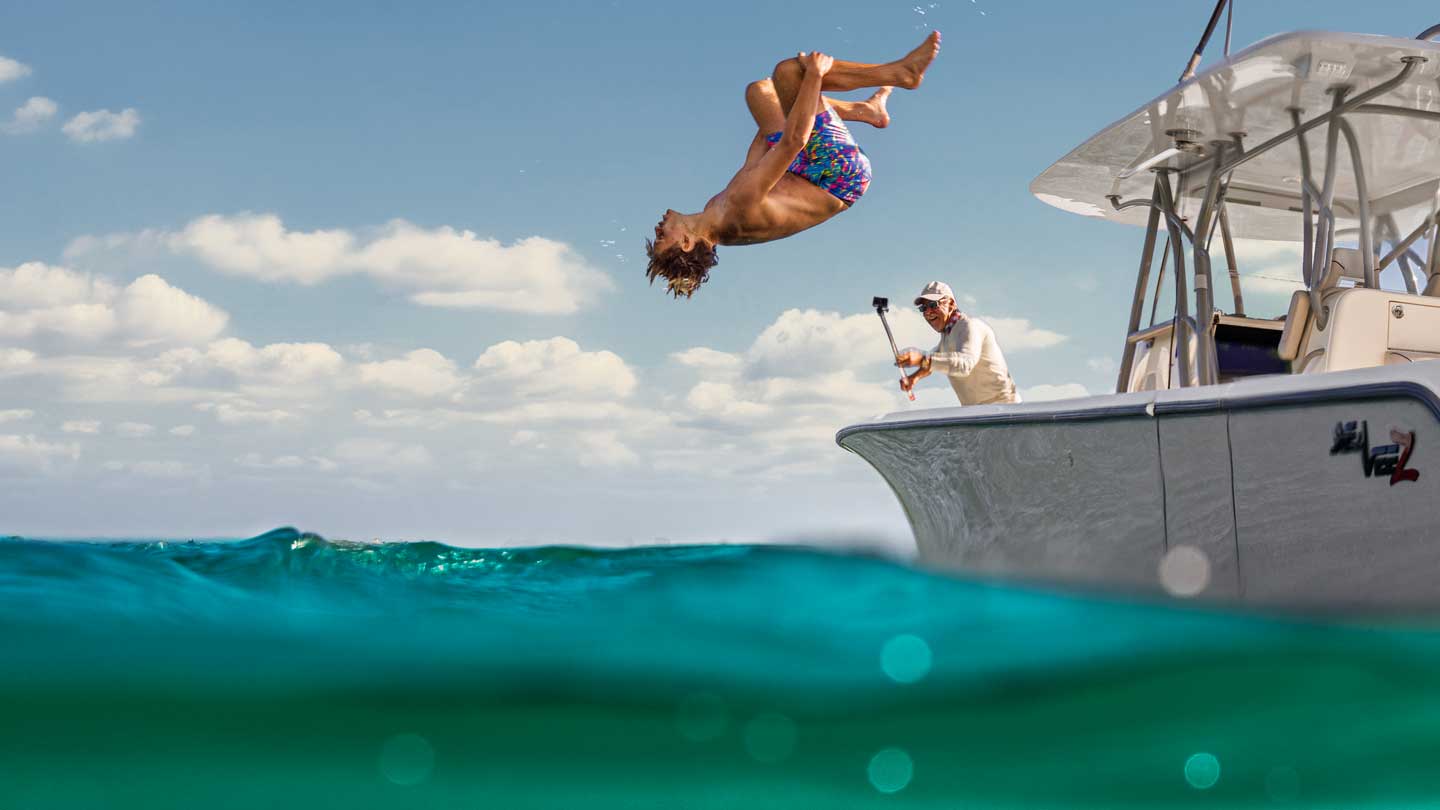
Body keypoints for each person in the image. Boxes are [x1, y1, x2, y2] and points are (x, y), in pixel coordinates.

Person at [646, 32, 942, 298]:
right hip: (837, 175)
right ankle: (901, 73)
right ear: (686, 242)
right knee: (789, 72)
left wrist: (779, 104)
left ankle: (865, 110)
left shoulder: (716, 216)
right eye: (662, 237)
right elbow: (794, 141)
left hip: (807, 172)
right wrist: (813, 78)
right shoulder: (735, 209)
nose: (658, 228)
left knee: (760, 92)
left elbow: (759, 153)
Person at [896, 281, 1021, 405]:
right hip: (976, 414)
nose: (928, 312)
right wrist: (914, 378)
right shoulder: (947, 336)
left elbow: (965, 364)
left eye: (933, 305)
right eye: (923, 308)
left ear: (950, 304)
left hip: (1004, 409)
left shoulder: (971, 326)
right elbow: (932, 362)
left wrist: (922, 359)